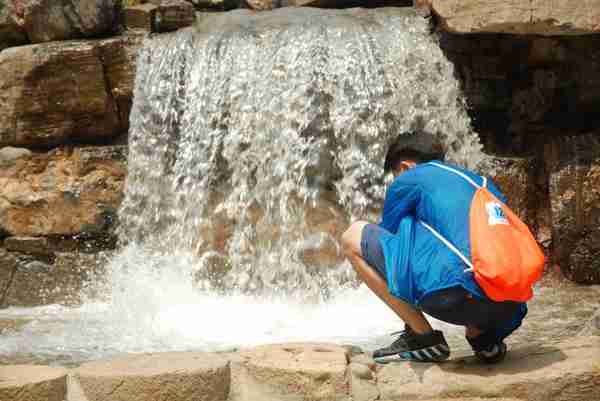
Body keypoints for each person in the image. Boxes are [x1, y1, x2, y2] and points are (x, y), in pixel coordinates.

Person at [341, 132, 527, 364]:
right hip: (510, 308)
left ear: (405, 167)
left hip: (456, 300)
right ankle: (484, 340)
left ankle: (423, 338)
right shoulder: (481, 183)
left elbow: (393, 244)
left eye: (395, 175)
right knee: (462, 248)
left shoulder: (412, 178)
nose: (396, 181)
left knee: (353, 236)